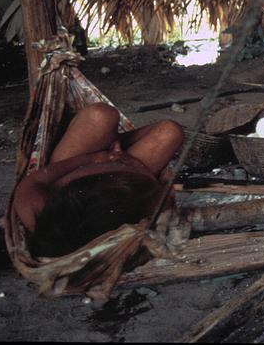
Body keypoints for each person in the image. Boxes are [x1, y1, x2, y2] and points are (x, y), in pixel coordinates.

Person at [13, 103, 184, 257]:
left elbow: (39, 177)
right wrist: (125, 163)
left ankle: (110, 141)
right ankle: (113, 143)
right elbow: (155, 190)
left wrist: (95, 159)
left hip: (74, 163)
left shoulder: (34, 206)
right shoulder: (116, 225)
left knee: (101, 115)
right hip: (132, 171)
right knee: (171, 131)